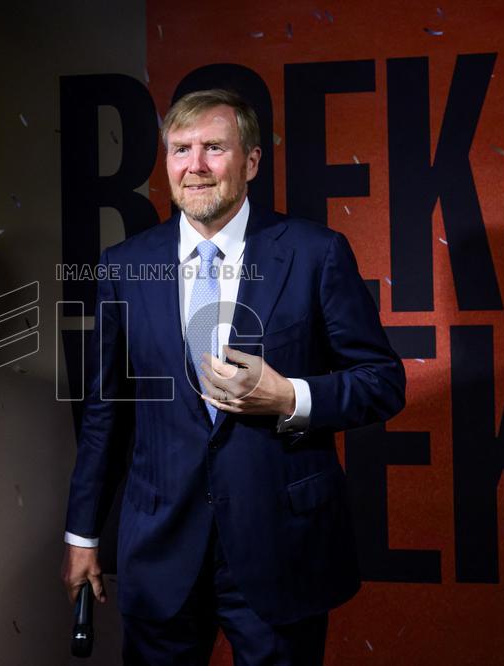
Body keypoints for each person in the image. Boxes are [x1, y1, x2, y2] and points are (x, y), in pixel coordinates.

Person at [61, 89, 406, 665]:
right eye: (180, 149)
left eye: (213, 148)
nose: (194, 165)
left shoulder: (315, 253)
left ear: (250, 162)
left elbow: (382, 380)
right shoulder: (123, 266)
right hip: (160, 547)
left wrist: (289, 395)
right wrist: (82, 535)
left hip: (281, 549)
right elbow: (105, 413)